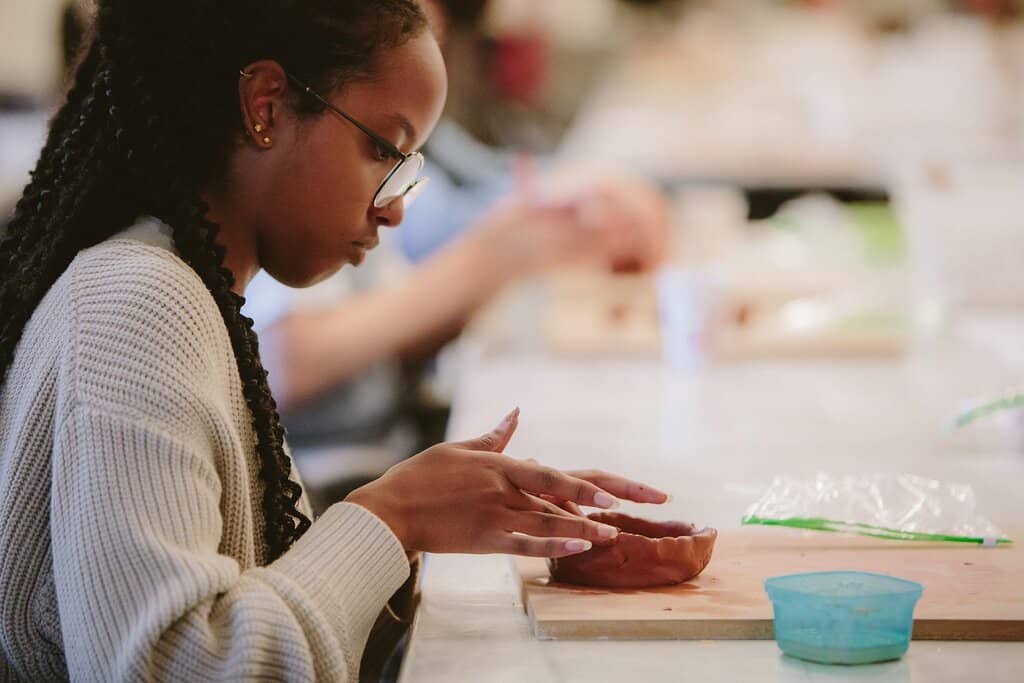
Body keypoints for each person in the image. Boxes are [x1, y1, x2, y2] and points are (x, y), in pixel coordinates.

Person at [0, 2, 670, 681]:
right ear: (265, 106)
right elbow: (176, 665)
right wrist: (394, 513)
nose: (396, 205)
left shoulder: (194, 291)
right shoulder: (139, 303)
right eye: (383, 148)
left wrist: (421, 519)